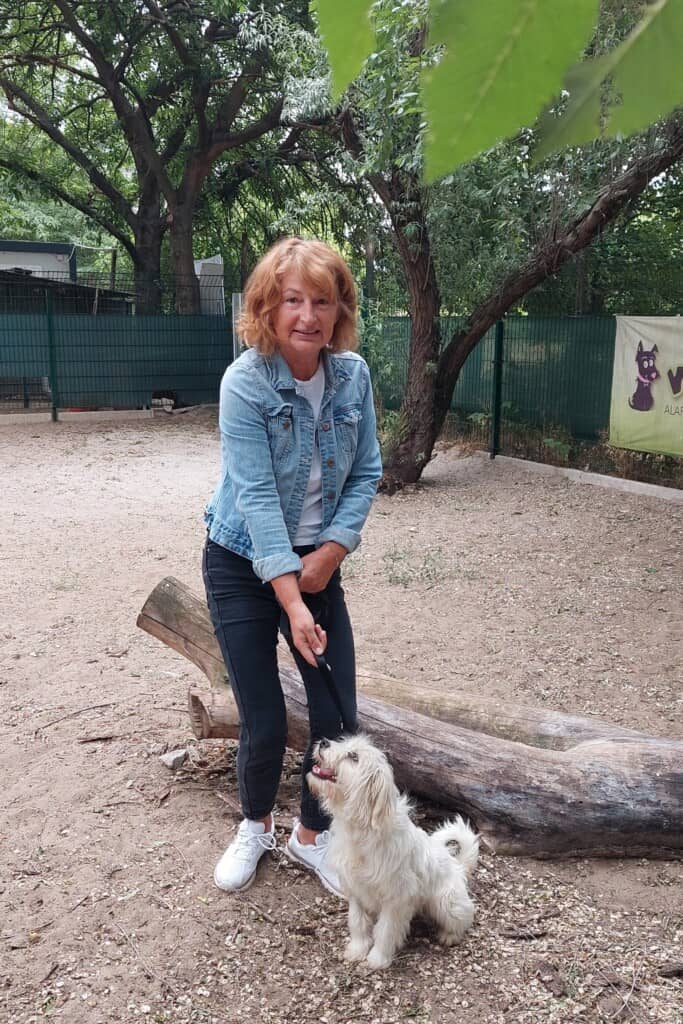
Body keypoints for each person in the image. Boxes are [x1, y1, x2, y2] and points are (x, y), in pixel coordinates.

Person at [202, 237, 383, 897]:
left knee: (336, 717)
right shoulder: (245, 383)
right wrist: (293, 600)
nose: (307, 316)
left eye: (322, 302)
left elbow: (366, 471)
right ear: (268, 308)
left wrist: (330, 554)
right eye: (292, 300)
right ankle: (254, 825)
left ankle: (312, 836)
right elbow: (254, 498)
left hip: (317, 565)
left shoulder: (353, 377)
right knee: (266, 718)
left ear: (339, 312)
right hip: (240, 562)